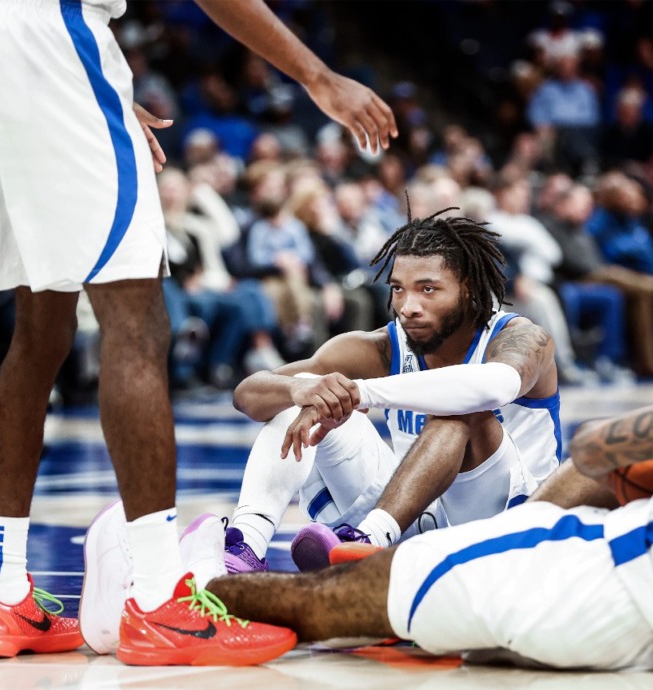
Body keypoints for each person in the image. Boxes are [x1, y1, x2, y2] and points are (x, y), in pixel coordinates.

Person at [87, 236, 653, 670]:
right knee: (410, 600)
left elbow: (603, 445)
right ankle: (252, 532)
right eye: (401, 289)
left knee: (324, 602)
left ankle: (165, 592)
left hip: (582, 568)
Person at [0, 0, 395, 664]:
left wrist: (92, 97)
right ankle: (158, 598)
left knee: (40, 325)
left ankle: (1, 590)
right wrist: (320, 77)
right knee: (135, 324)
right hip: (54, 34)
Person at [221, 209, 561, 574]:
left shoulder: (523, 339)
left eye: (427, 289)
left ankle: (368, 545)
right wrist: (302, 388)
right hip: (410, 516)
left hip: (507, 533)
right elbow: (248, 394)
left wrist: (360, 393)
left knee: (460, 413)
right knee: (306, 393)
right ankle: (248, 544)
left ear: (468, 289)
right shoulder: (384, 345)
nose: (408, 307)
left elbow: (493, 386)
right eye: (399, 289)